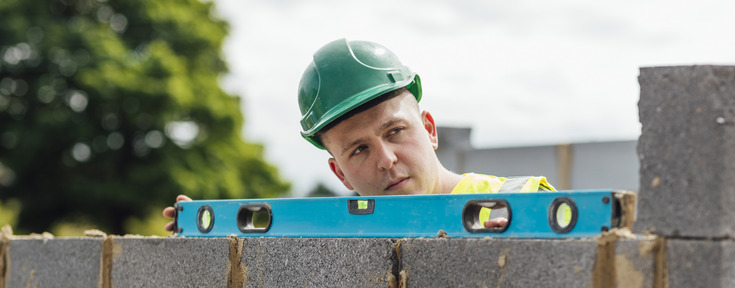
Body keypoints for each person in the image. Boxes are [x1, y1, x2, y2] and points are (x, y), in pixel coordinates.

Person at [163, 38, 553, 232]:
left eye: (395, 131)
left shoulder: (525, 205)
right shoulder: (344, 237)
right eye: (359, 149)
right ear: (340, 175)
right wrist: (208, 230)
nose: (386, 159)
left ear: (429, 129)